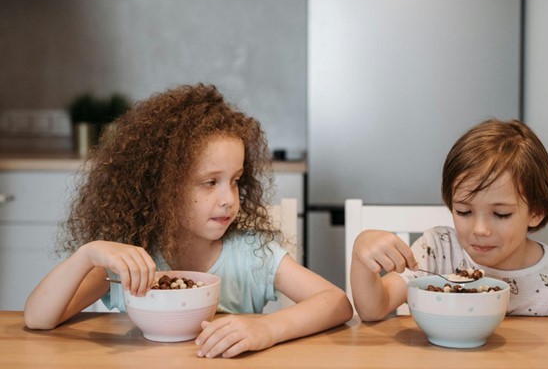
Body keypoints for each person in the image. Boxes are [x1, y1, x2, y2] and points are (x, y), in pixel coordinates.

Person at [24, 83, 353, 358]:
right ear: (163, 188)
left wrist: (267, 327)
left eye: (235, 180)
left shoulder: (251, 256)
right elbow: (38, 319)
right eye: (210, 182)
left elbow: (336, 303)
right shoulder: (133, 259)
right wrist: (88, 254)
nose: (228, 198)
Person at [350, 118, 548, 321]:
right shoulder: (438, 250)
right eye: (464, 212)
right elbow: (373, 308)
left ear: (536, 212)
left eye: (501, 214)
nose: (480, 230)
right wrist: (361, 253)